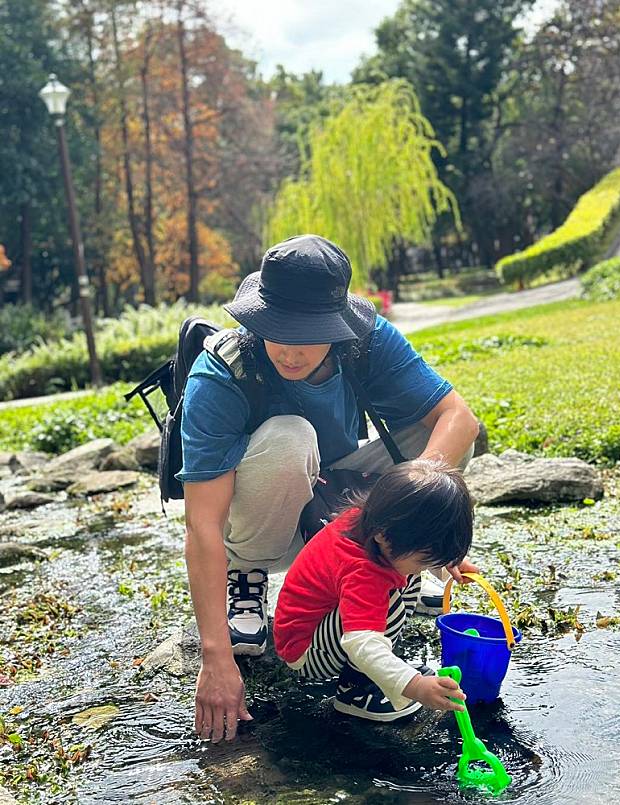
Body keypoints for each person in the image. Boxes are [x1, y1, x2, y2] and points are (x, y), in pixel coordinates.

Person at [178, 234, 480, 742]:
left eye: (309, 333)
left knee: (440, 449)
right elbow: (202, 524)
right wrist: (216, 656)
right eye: (277, 330)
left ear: (338, 325)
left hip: (343, 509)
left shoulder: (366, 340)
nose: (291, 350)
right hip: (261, 517)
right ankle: (247, 580)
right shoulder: (222, 372)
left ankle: (400, 550)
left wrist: (419, 518)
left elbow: (459, 418)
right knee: (290, 435)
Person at [273, 460, 472, 721]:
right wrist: (414, 686)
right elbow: (362, 643)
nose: (428, 567)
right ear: (383, 535)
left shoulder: (372, 523)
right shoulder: (364, 572)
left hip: (325, 625)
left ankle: (379, 671)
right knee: (388, 599)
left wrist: (444, 560)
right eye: (426, 560)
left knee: (405, 578)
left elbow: (413, 548)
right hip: (307, 651)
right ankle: (356, 691)